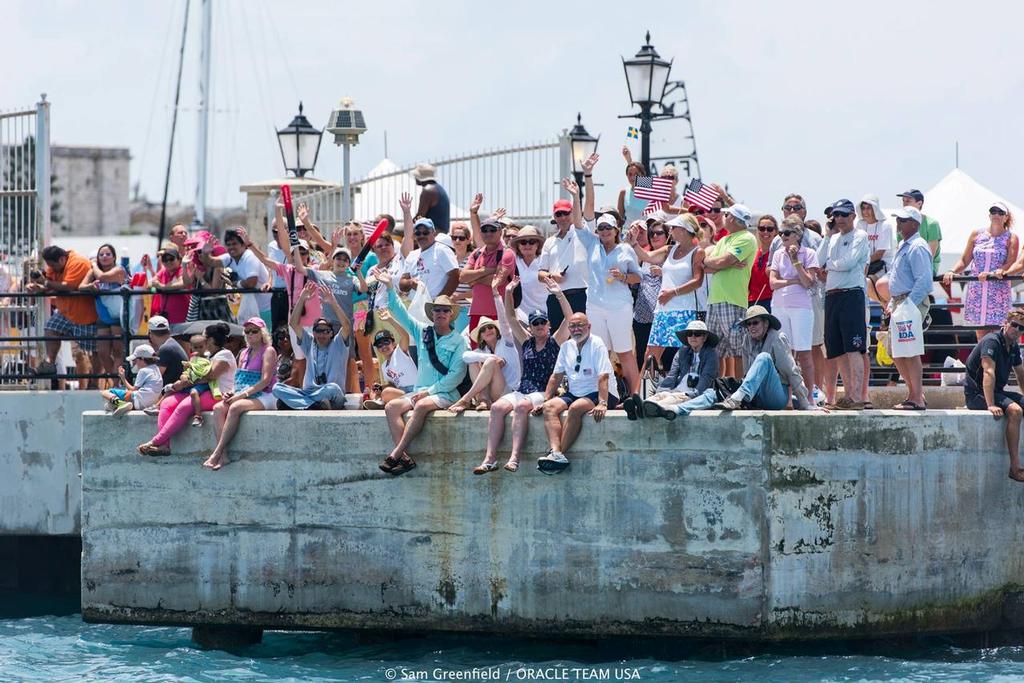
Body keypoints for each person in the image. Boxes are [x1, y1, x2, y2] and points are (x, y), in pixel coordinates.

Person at [472, 277, 573, 474]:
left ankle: (514, 458)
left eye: (543, 322)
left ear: (548, 324)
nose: (539, 326)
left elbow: (569, 320)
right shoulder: (526, 342)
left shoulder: (555, 342)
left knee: (521, 407)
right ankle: (490, 459)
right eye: (535, 323)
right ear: (530, 327)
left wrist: (559, 294)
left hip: (543, 391)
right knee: (497, 408)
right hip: (523, 388)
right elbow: (510, 317)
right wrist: (508, 292)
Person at [377, 270, 467, 476]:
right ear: (432, 313)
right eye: (437, 310)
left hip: (444, 393)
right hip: (419, 391)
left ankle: (396, 453)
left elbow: (457, 375)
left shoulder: (459, 341)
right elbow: (401, 314)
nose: (441, 314)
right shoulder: (423, 331)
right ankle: (406, 459)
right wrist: (390, 287)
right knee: (391, 407)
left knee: (422, 405)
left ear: (451, 314)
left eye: (445, 310)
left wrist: (429, 392)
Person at [570, 172, 642, 416]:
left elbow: (637, 277)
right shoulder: (592, 244)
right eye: (601, 227)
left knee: (624, 352)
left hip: (619, 306)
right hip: (595, 306)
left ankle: (635, 396)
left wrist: (623, 277)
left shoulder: (625, 250)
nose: (603, 231)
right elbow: (579, 221)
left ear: (616, 229)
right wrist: (575, 195)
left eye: (608, 228)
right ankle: (607, 396)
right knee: (600, 352)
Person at [536, 313, 619, 475]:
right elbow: (556, 376)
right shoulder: (566, 346)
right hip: (575, 392)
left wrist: (602, 402)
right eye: (572, 326)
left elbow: (603, 376)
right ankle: (555, 451)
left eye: (580, 325)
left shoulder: (597, 343)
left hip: (603, 392)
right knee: (549, 407)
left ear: (588, 326)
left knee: (575, 408)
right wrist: (545, 399)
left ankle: (559, 454)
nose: (576, 329)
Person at [137, 322, 235, 456]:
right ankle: (164, 446)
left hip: (217, 394)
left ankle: (155, 441)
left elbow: (211, 376)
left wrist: (184, 382)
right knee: (167, 403)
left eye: (204, 337)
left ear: (210, 340)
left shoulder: (225, 355)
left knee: (183, 407)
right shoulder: (206, 356)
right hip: (202, 391)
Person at [630, 214, 705, 373]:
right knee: (649, 356)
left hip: (684, 311)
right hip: (663, 310)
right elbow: (647, 256)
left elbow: (698, 281)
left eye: (674, 227)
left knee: (684, 356)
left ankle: (681, 392)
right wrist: (634, 242)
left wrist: (673, 292)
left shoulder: (697, 252)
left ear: (685, 230)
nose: (670, 230)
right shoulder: (669, 249)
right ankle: (644, 393)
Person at [202, 317, 279, 470]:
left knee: (235, 407)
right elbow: (238, 380)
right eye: (247, 331)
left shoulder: (268, 351)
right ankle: (224, 456)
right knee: (218, 408)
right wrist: (231, 392)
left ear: (262, 333)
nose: (250, 335)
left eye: (254, 331)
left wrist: (241, 395)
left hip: (267, 394)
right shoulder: (243, 353)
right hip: (245, 392)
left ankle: (216, 453)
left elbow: (265, 381)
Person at [772, 194, 825, 404]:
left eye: (787, 232)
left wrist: (796, 263)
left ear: (797, 234)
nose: (782, 236)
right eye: (781, 232)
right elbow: (773, 283)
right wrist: (793, 282)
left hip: (802, 308)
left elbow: (809, 282)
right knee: (786, 357)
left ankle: (809, 398)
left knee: (804, 354)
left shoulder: (809, 253)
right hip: (780, 306)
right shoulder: (777, 253)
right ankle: (788, 400)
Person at [817, 199, 870, 410]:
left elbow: (848, 262)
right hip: (832, 296)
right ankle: (848, 396)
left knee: (854, 348)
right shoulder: (833, 238)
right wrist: (827, 235)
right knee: (837, 349)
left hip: (851, 295)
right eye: (835, 215)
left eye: (843, 214)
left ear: (853, 216)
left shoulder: (860, 236)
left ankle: (856, 396)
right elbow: (817, 260)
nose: (838, 219)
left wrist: (829, 267)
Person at [711, 305, 812, 411]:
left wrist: (805, 403)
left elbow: (792, 371)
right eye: (749, 324)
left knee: (764, 357)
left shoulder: (778, 338)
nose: (751, 327)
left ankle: (737, 399)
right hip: (755, 394)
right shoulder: (746, 340)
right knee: (715, 392)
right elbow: (747, 374)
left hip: (776, 397)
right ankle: (692, 405)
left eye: (755, 322)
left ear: (766, 323)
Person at [964, 309, 1024, 482]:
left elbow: (1021, 374)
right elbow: (988, 373)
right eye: (1015, 325)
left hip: (996, 392)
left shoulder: (1013, 346)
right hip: (977, 394)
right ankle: (1014, 467)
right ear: (1005, 323)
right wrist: (990, 404)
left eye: (1022, 329)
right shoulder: (992, 341)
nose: (1017, 330)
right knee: (1015, 411)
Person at [271, 283, 352, 410]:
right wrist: (302, 298)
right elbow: (293, 323)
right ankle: (313, 405)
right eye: (318, 330)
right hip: (309, 392)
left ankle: (299, 404)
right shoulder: (310, 342)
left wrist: (333, 303)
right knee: (277, 388)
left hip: (331, 394)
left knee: (333, 388)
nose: (322, 334)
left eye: (326, 330)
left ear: (332, 333)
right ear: (313, 333)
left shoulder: (338, 343)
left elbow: (347, 325)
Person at [944, 202, 1018, 341]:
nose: (996, 214)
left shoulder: (1011, 237)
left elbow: (1011, 262)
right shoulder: (976, 234)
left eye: (1000, 212)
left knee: (999, 337)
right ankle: (983, 362)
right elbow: (964, 260)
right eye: (993, 211)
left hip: (998, 292)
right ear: (989, 214)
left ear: (1006, 217)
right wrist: (952, 270)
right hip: (977, 291)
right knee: (981, 338)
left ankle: (997, 362)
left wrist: (995, 272)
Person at [26, 245, 98, 380]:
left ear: (61, 259)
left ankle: (96, 381)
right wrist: (38, 287)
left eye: (52, 265)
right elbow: (51, 283)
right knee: (51, 328)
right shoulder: (56, 265)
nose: (51, 268)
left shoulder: (78, 263)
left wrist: (45, 283)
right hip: (66, 312)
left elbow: (68, 287)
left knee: (94, 351)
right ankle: (49, 364)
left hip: (85, 314)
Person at [886, 206, 933, 410]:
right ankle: (915, 394)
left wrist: (906, 305)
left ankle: (916, 397)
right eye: (899, 219)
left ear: (915, 223)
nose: (899, 223)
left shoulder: (917, 246)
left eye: (903, 220)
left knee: (909, 351)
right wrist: (892, 303)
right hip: (901, 302)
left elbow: (924, 282)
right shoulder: (906, 245)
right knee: (897, 351)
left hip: (908, 303)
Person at [703, 204, 758, 379]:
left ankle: (741, 391)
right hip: (715, 300)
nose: (722, 216)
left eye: (726, 214)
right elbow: (705, 266)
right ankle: (715, 391)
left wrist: (719, 262)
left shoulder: (747, 238)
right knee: (713, 350)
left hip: (733, 300)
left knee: (738, 350)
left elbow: (717, 263)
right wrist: (720, 262)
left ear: (732, 218)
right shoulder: (724, 240)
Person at [449, 295, 521, 414]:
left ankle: (465, 399)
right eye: (483, 330)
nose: (487, 330)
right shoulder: (482, 350)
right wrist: (492, 357)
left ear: (497, 330)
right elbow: (465, 356)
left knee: (490, 362)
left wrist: (496, 295)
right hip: (489, 393)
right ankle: (482, 400)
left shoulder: (507, 342)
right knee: (474, 362)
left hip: (508, 393)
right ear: (480, 336)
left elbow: (504, 320)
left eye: (490, 327)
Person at [642, 319, 719, 420]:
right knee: (660, 396)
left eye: (697, 334)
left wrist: (693, 394)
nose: (693, 337)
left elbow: (706, 378)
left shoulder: (711, 354)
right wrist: (662, 391)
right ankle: (640, 406)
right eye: (689, 334)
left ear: (704, 337)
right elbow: (671, 375)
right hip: (677, 390)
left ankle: (648, 409)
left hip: (694, 393)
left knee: (669, 399)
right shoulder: (682, 351)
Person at [537, 195, 589, 330]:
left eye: (566, 213)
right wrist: (553, 277)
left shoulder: (581, 233)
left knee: (582, 336)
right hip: (555, 297)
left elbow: (582, 216)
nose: (563, 217)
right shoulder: (549, 241)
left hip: (579, 295)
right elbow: (540, 273)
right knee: (557, 340)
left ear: (573, 214)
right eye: (559, 214)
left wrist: (576, 196)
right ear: (554, 217)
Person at [464, 198, 516, 332]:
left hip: (499, 312)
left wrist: (474, 279)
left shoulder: (507, 253)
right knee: (477, 351)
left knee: (500, 352)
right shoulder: (476, 253)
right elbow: (462, 277)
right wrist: (487, 270)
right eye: (485, 230)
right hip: (476, 313)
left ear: (500, 232)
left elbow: (497, 282)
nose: (488, 233)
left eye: (492, 230)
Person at [79, 243, 128, 386]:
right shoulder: (94, 272)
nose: (104, 257)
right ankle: (116, 380)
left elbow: (104, 277)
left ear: (114, 257)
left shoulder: (119, 270)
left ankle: (117, 383)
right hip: (103, 316)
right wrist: (90, 286)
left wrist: (93, 265)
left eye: (108, 254)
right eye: (101, 254)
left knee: (118, 352)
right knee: (102, 352)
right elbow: (81, 287)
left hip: (117, 316)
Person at [629, 218, 670, 369]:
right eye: (652, 233)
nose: (654, 236)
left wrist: (664, 273)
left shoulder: (672, 256)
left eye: (659, 233)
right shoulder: (644, 256)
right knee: (642, 356)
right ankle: (645, 390)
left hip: (663, 314)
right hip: (642, 315)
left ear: (667, 236)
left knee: (666, 359)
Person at [399, 217, 460, 299]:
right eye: (418, 233)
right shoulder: (412, 255)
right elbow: (402, 284)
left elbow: (455, 276)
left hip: (435, 308)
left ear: (434, 233)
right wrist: (410, 282)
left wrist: (439, 301)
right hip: (414, 307)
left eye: (425, 232)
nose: (421, 236)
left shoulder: (441, 250)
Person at [221, 228, 272, 327]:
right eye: (228, 244)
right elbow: (213, 262)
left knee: (267, 338)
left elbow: (251, 282)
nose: (231, 247)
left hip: (265, 309)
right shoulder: (230, 259)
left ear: (243, 245)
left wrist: (236, 283)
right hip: (248, 308)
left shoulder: (250, 256)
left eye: (235, 244)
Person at [101, 343, 162, 418]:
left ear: (142, 359)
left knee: (105, 392)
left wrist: (122, 377)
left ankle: (121, 404)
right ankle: (118, 404)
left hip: (138, 402)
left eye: (135, 360)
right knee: (108, 405)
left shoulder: (143, 371)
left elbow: (133, 389)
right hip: (149, 404)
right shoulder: (156, 369)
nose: (135, 363)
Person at [362, 328, 417, 409]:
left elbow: (405, 335)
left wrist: (390, 320)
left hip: (414, 390)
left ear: (394, 343)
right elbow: (392, 384)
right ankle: (380, 401)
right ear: (378, 349)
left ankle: (382, 403)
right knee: (377, 391)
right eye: (380, 345)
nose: (383, 346)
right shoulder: (384, 366)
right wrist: (379, 388)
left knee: (386, 393)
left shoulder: (400, 351)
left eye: (386, 342)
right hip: (401, 392)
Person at [857, 194, 894, 305]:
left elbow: (880, 254)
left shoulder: (885, 225)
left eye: (869, 208)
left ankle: (886, 305)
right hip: (866, 266)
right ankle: (885, 305)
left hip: (884, 266)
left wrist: (861, 263)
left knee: (867, 282)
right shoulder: (860, 224)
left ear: (875, 208)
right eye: (863, 208)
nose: (865, 211)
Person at [897, 189, 942, 277]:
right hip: (907, 268)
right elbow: (899, 249)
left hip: (927, 268)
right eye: (903, 201)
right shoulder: (900, 222)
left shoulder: (932, 224)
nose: (905, 204)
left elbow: (929, 256)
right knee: (882, 283)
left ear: (919, 203)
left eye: (908, 201)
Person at [510, 226, 547, 319]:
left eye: (531, 242)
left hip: (543, 317)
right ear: (518, 245)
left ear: (537, 244)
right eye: (523, 242)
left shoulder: (545, 261)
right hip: (518, 319)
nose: (527, 245)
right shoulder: (512, 261)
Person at [147, 243, 190, 324]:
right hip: (165, 320)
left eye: (171, 259)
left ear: (179, 260)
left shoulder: (183, 270)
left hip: (181, 320)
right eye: (165, 259)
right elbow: (151, 283)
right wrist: (155, 286)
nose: (168, 262)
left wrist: (162, 287)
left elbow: (182, 283)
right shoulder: (163, 271)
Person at [749, 215, 778, 310]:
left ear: (775, 232)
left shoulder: (778, 254)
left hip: (771, 301)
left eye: (769, 229)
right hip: (752, 302)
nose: (765, 232)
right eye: (762, 228)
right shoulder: (752, 253)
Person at [412, 163, 450, 234]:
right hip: (442, 230)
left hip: (433, 231)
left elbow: (420, 216)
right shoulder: (438, 188)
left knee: (397, 232)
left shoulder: (428, 190)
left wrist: (408, 224)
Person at [616, 146, 649, 226]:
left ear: (643, 175)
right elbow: (620, 218)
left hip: (645, 233)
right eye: (630, 174)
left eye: (636, 174)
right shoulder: (623, 192)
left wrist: (629, 159)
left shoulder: (649, 191)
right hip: (627, 234)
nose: (632, 177)